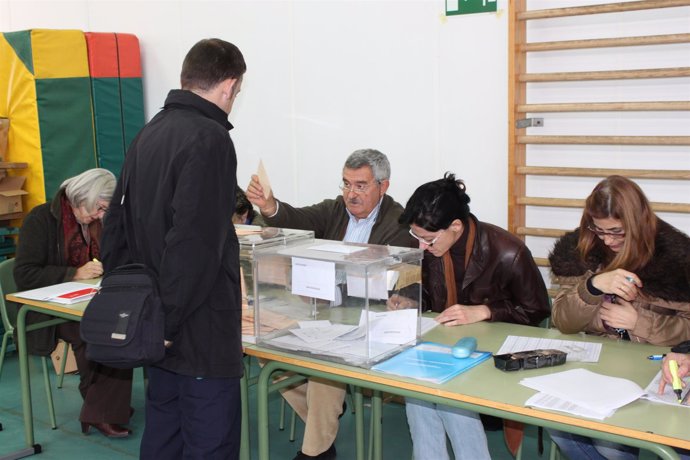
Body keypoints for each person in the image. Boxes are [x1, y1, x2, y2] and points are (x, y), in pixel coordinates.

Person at [100, 38, 246, 459]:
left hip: (153, 323)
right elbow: (194, 245)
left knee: (163, 437)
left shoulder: (150, 131)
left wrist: (136, 308)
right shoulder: (211, 139)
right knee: (208, 443)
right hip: (196, 332)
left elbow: (115, 227)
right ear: (229, 86)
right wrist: (167, 321)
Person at [246, 148, 412, 460]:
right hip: (321, 313)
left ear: (383, 186)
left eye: (361, 185)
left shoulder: (399, 224)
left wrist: (330, 287)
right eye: (346, 184)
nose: (351, 193)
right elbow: (298, 219)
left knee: (324, 366)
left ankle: (316, 452)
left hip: (366, 319)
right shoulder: (334, 209)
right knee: (268, 351)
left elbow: (387, 284)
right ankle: (324, 414)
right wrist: (270, 207)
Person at [390, 173, 550, 460]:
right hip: (447, 342)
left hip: (496, 349)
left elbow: (537, 309)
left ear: (455, 226)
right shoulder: (433, 247)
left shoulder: (508, 251)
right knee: (416, 386)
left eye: (427, 239)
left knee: (450, 394)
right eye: (417, 237)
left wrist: (486, 311)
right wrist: (409, 300)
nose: (422, 246)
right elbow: (431, 297)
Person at [548, 175, 690, 460]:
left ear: (637, 224)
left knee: (609, 446)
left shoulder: (677, 260)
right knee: (557, 426)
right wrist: (593, 287)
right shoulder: (580, 251)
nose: (607, 240)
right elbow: (562, 320)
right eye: (599, 230)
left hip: (655, 367)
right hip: (601, 364)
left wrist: (640, 323)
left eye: (617, 231)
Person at [14, 168, 134, 438]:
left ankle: (103, 407)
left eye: (106, 209)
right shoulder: (41, 219)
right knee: (98, 333)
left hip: (87, 301)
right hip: (47, 309)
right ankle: (104, 411)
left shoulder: (96, 221)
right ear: (82, 198)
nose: (101, 215)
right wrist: (73, 273)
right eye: (99, 208)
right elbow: (23, 274)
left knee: (124, 326)